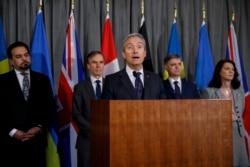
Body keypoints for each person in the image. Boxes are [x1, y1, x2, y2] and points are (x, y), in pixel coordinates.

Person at [0, 41, 54, 167]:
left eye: (26, 55)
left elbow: (49, 108)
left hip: (36, 143)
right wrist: (13, 131)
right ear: (11, 61)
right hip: (10, 144)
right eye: (18, 57)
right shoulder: (2, 81)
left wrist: (39, 127)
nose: (24, 59)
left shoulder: (42, 79)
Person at [202, 59, 250, 167]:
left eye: (233, 69)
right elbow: (207, 115)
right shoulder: (209, 92)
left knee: (241, 161)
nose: (231, 71)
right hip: (220, 132)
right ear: (219, 71)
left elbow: (241, 110)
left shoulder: (239, 91)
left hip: (238, 130)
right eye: (227, 69)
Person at [101, 33, 166, 99]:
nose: (135, 51)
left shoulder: (156, 80)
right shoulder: (111, 81)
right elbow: (106, 108)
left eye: (139, 47)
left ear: (145, 53)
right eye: (130, 47)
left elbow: (163, 107)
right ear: (123, 54)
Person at [72, 51, 105, 167]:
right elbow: (76, 114)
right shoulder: (80, 88)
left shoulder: (111, 85)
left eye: (101, 62)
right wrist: (94, 129)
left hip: (109, 140)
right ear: (88, 65)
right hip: (86, 141)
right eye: (94, 62)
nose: (98, 66)